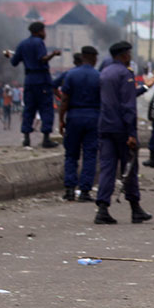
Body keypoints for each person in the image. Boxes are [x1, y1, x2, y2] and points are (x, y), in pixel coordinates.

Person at [94, 41, 152, 225]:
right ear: (124, 55)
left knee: (107, 168)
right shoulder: (125, 74)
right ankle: (135, 208)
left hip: (105, 126)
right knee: (129, 168)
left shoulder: (104, 72)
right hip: (121, 128)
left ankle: (102, 208)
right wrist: (132, 133)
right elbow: (128, 105)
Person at [6, 21, 61, 148]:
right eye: (44, 31)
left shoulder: (22, 44)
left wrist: (9, 56)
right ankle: (46, 138)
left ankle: (26, 138)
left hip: (29, 80)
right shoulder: (38, 42)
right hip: (42, 79)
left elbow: (14, 62)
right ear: (38, 31)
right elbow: (42, 59)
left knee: (29, 109)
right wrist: (54, 54)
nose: (45, 33)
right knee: (46, 108)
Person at [59, 45, 102, 203]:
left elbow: (65, 99)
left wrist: (61, 119)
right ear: (92, 57)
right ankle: (85, 191)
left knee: (71, 154)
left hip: (74, 116)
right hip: (93, 117)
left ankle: (70, 190)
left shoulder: (71, 75)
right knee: (90, 155)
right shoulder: (98, 76)